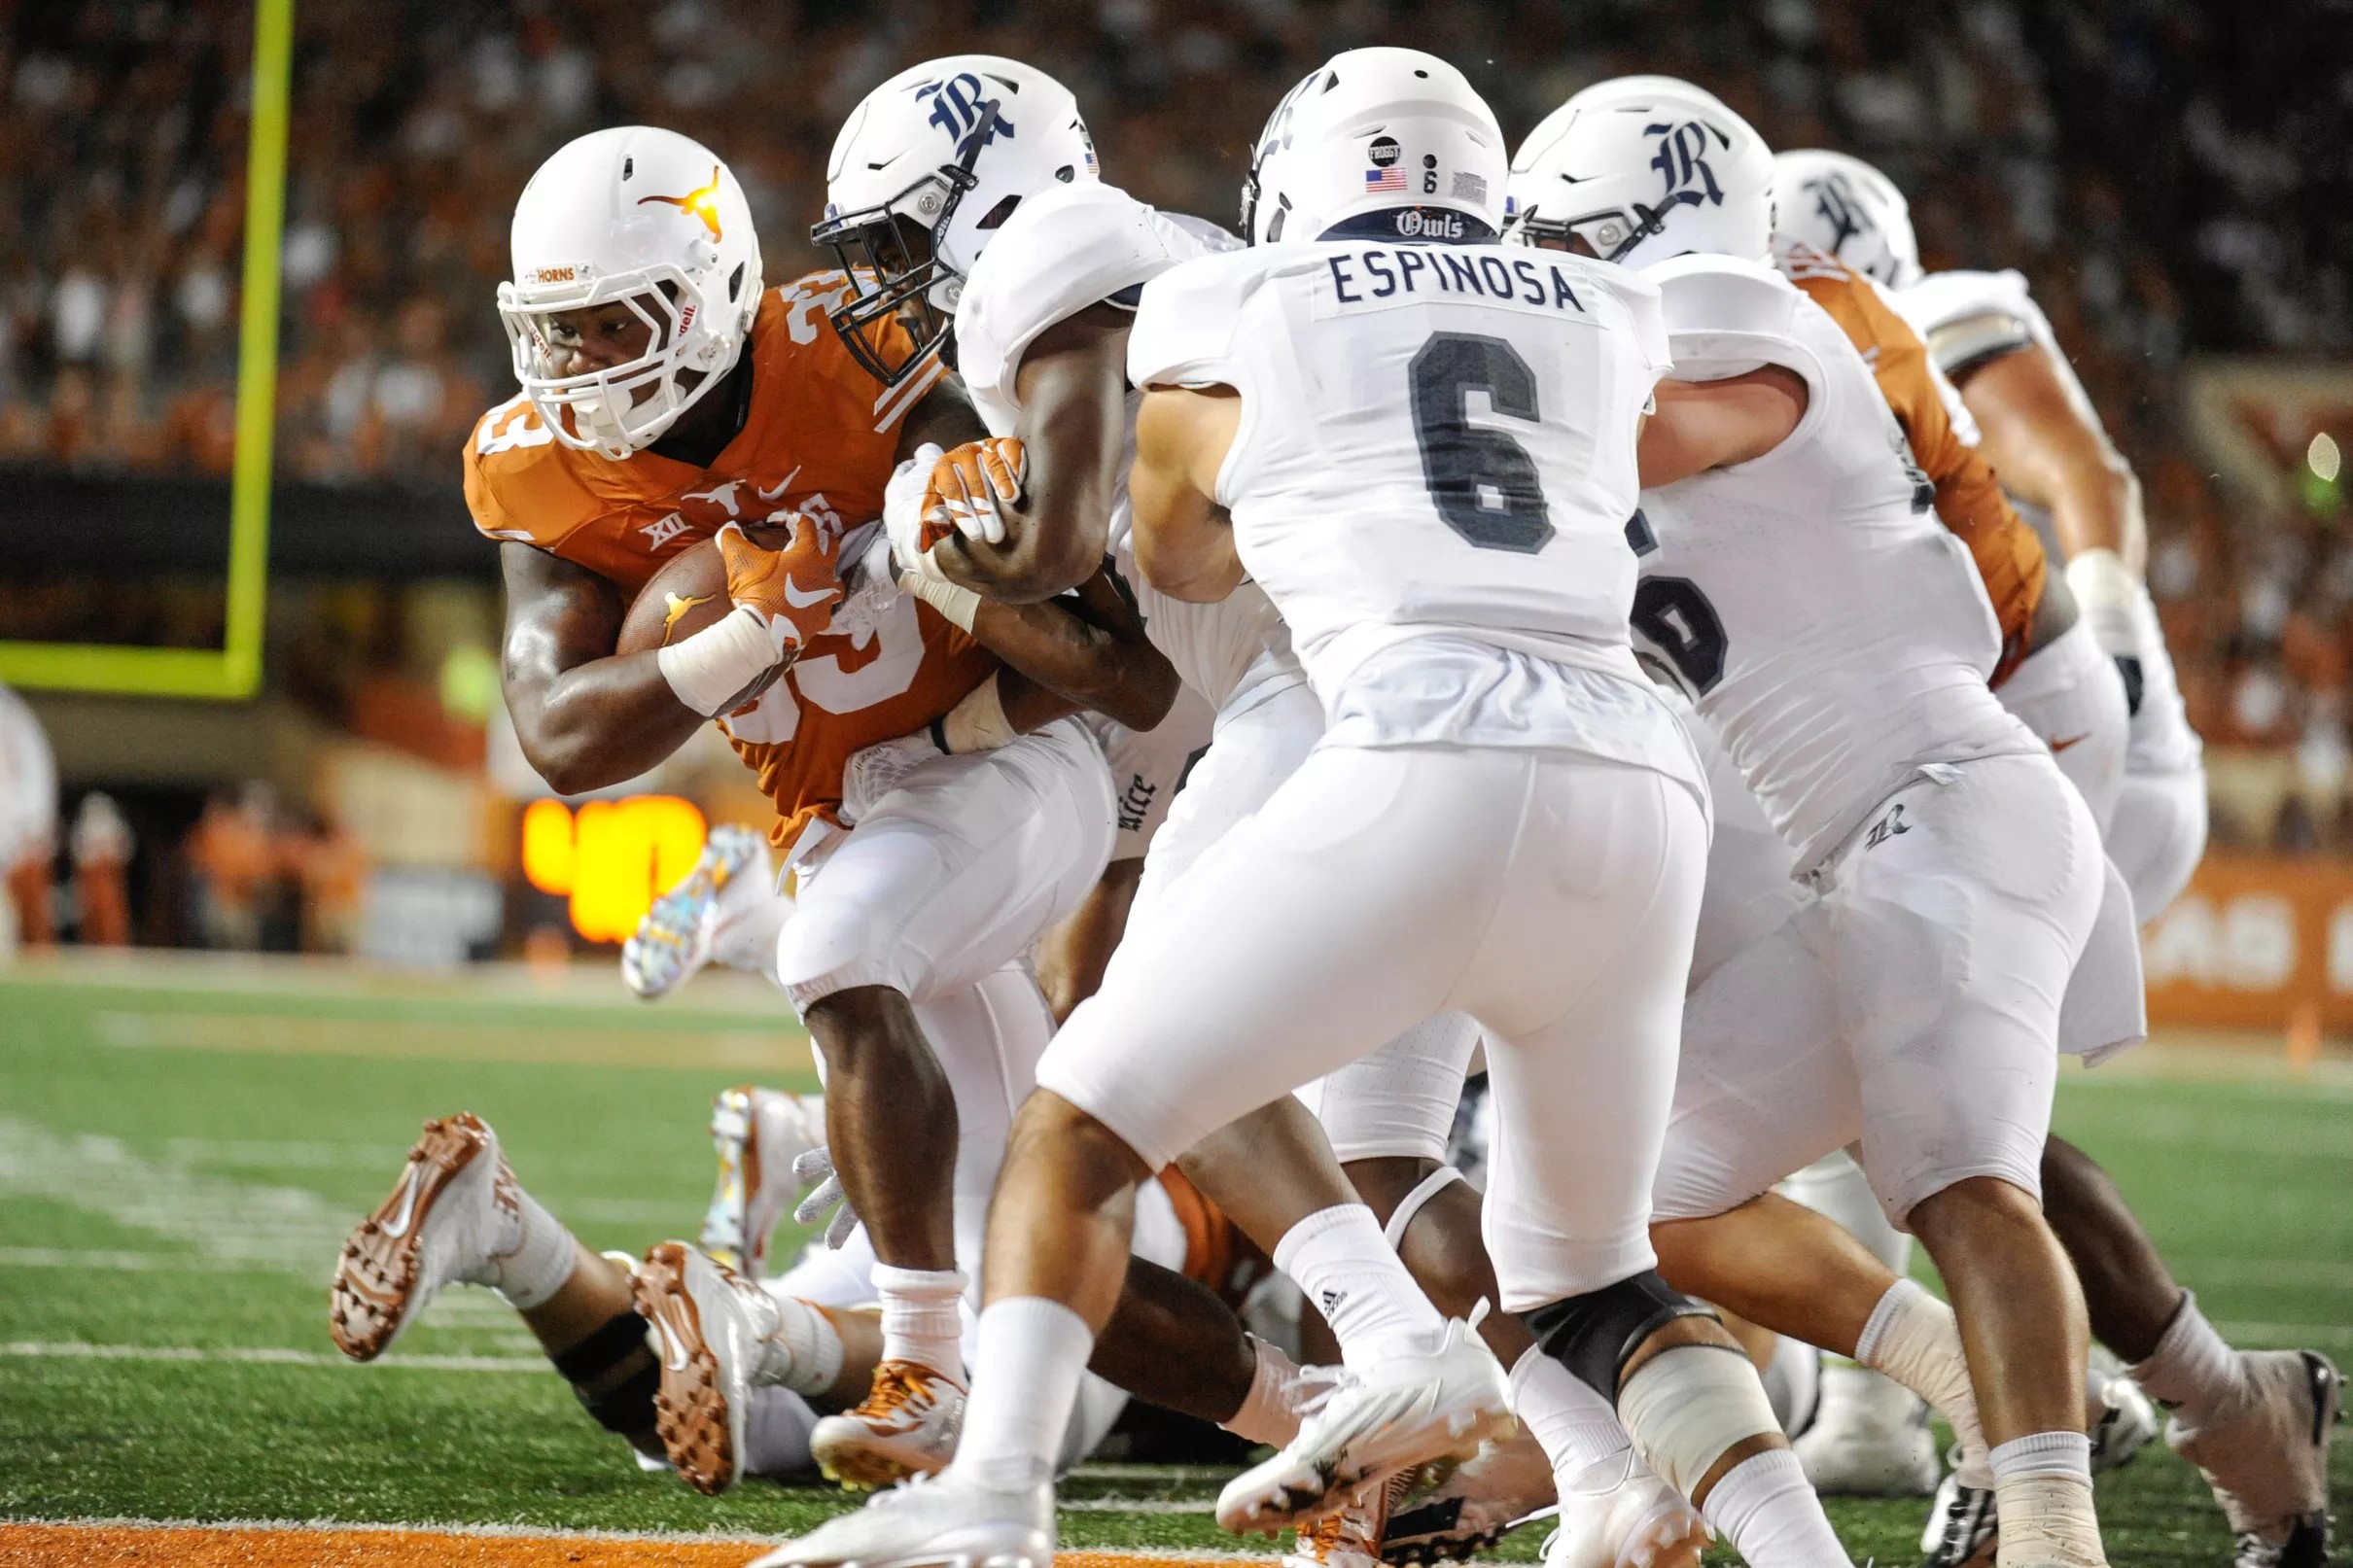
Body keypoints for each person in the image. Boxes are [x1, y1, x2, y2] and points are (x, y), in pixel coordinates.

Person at [767, 49, 1852, 1568]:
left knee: (1080, 1107)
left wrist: (955, 540)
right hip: (1630, 783)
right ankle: (1666, 1501)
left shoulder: (1209, 298)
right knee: (1590, 1279)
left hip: (1399, 739)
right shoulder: (1608, 312)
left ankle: (1001, 1490)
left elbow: (1167, 575)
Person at [336, 122, 1181, 1495]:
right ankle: (526, 1234)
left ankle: (838, 1316)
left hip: (992, 774)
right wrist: (741, 636)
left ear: (712, 287)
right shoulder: (547, 471)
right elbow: (555, 737)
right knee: (854, 1340)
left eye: (614, 324)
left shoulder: (862, 353)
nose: (579, 367)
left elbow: (1108, 647)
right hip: (848, 820)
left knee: (853, 970)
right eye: (556, 333)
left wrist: (964, 524)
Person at [1512, 76, 2115, 1568]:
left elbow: (1637, 438)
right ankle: (1975, 1377)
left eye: (1558, 236)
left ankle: (2054, 1533)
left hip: (1953, 796)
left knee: (1963, 1179)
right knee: (1637, 1200)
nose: (1542, 265)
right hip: (1858, 846)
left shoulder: (1753, 316)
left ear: (1645, 218)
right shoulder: (1659, 343)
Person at [1775, 147, 2338, 1568]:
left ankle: (1972, 1414)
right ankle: (2173, 1398)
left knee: (1894, 1072)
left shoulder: (1881, 316)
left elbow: (2081, 467)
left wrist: (2126, 629)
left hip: (2040, 725)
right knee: (1916, 1092)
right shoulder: (1788, 350)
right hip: (1985, 727)